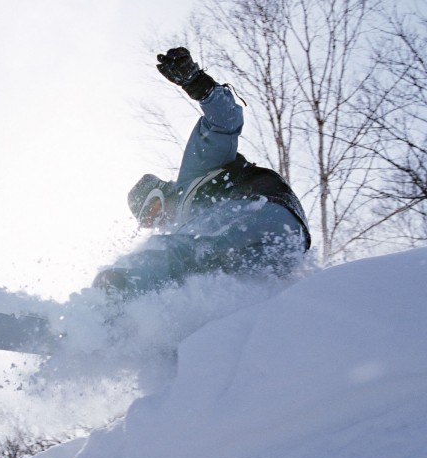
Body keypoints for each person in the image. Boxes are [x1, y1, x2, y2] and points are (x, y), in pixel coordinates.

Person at [93, 47, 311, 296]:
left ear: (160, 194)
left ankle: (110, 295)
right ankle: (129, 322)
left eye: (152, 210)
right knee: (203, 283)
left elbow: (225, 122)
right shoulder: (188, 229)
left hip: (260, 212)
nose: (157, 221)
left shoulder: (193, 174)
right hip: (284, 248)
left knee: (176, 254)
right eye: (149, 222)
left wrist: (197, 83)